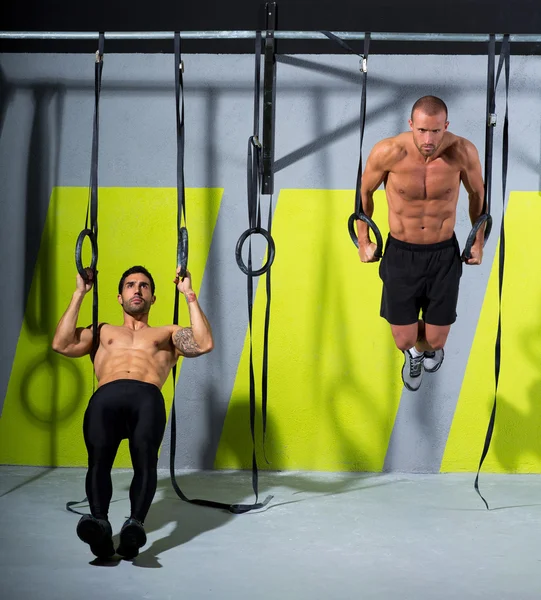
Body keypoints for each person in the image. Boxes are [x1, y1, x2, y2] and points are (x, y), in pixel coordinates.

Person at [52, 265, 214, 559]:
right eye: (130, 285)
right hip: (106, 397)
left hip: (147, 398)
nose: (137, 289)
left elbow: (204, 343)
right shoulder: (102, 331)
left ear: (153, 298)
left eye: (144, 286)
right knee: (98, 462)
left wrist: (189, 293)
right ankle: (99, 524)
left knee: (145, 462)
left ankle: (133, 527)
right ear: (119, 296)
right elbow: (61, 344)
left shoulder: (167, 333)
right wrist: (80, 293)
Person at [357, 96, 485, 391]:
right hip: (401, 252)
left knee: (437, 340)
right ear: (411, 124)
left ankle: (429, 348)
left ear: (446, 126)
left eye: (436, 131)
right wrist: (363, 241)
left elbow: (477, 196)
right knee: (403, 340)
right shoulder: (388, 152)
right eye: (423, 131)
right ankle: (414, 353)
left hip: (443, 253)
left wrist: (478, 242)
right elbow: (364, 195)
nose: (429, 139)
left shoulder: (462, 151)